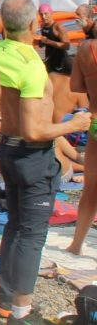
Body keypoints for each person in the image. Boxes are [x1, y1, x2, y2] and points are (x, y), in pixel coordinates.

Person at [0, 0, 90, 321]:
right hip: (30, 153)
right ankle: (21, 311)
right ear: (33, 24)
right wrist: (77, 123)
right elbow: (35, 130)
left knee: (16, 223)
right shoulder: (31, 66)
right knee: (32, 233)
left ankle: (5, 299)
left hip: (6, 146)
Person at [68, 28, 97, 253]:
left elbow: (75, 86)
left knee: (91, 188)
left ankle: (76, 244)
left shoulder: (86, 49)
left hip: (95, 120)